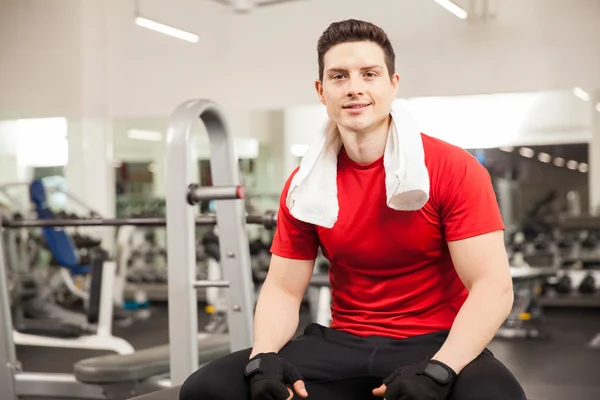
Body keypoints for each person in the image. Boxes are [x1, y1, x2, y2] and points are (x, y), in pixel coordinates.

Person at [179, 19, 527, 400]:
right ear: (321, 90)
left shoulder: (452, 168)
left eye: (369, 74)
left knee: (496, 396)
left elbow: (492, 287)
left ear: (393, 85)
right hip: (342, 342)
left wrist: (440, 370)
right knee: (207, 388)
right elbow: (283, 287)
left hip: (438, 340)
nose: (354, 88)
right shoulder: (306, 183)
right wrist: (263, 357)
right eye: (339, 76)